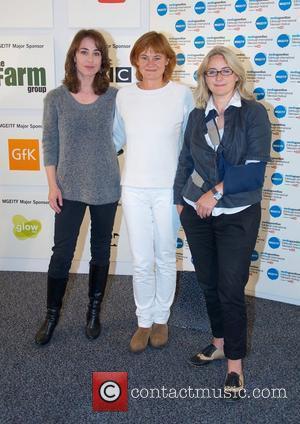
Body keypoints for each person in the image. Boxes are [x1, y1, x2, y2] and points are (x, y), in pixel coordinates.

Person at [174, 46, 271, 399]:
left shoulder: (254, 114)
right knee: (209, 283)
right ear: (204, 78)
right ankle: (217, 342)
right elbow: (185, 160)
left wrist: (214, 193)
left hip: (236, 214)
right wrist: (179, 204)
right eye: (210, 72)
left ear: (237, 75)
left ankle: (234, 363)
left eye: (224, 71)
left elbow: (253, 170)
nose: (217, 77)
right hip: (196, 213)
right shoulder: (197, 116)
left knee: (231, 287)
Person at [35, 29, 120, 346]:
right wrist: (51, 184)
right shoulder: (55, 98)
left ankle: (93, 312)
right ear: (73, 56)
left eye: (96, 52)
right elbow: (49, 143)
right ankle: (51, 315)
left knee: (100, 252)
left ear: (103, 60)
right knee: (61, 254)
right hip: (67, 188)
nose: (90, 58)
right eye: (84, 51)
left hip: (106, 186)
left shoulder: (114, 97)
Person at [114, 31, 194, 353]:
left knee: (163, 256)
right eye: (144, 57)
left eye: (157, 57)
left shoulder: (181, 95)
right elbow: (113, 140)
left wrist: (183, 194)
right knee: (141, 259)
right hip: (133, 188)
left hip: (168, 190)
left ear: (167, 62)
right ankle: (143, 320)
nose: (150, 63)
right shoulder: (124, 96)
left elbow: (190, 148)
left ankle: (161, 318)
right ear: (135, 60)